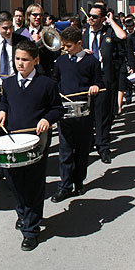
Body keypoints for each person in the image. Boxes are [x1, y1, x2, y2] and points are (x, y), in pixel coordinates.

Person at [0, 40, 64, 251]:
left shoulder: (47, 84)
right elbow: (5, 101)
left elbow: (57, 109)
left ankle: (31, 230)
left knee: (33, 184)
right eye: (17, 59)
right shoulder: (8, 83)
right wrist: (2, 111)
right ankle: (24, 213)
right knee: (14, 182)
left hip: (36, 140)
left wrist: (47, 119)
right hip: (14, 141)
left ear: (36, 60)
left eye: (25, 59)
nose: (20, 63)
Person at [52, 26, 103, 201]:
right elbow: (55, 81)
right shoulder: (61, 62)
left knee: (82, 151)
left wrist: (95, 86)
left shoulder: (92, 62)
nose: (65, 49)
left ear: (79, 44)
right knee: (65, 151)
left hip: (84, 113)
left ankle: (79, 181)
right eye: (64, 46)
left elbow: (99, 81)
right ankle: (64, 186)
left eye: (68, 46)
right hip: (65, 113)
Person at [82, 3, 126, 164]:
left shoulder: (108, 32)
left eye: (95, 17)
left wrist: (112, 21)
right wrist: (82, 52)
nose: (91, 19)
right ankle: (89, 144)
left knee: (103, 115)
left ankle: (103, 147)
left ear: (102, 18)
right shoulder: (84, 33)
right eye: (89, 16)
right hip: (87, 79)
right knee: (88, 115)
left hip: (104, 78)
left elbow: (122, 36)